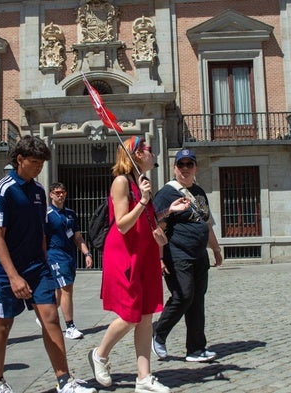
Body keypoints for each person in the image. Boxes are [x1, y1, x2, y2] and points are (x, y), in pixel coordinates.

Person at [0, 135, 96, 393]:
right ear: (19, 159)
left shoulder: (38, 191)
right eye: (34, 162)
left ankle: (64, 380)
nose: (38, 167)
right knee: (3, 324)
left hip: (37, 267)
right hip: (5, 271)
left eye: (41, 163)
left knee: (51, 318)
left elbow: (40, 232)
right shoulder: (3, 190)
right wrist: (13, 276)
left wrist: (45, 263)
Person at [88, 136, 189, 393]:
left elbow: (144, 219)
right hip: (125, 254)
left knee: (145, 316)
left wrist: (167, 212)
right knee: (131, 315)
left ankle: (143, 378)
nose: (153, 153)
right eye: (148, 150)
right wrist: (144, 200)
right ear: (134, 154)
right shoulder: (121, 182)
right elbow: (122, 224)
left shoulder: (139, 182)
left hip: (144, 253)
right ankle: (99, 354)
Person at [151, 149, 223, 363]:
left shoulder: (199, 192)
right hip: (177, 254)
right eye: (180, 165)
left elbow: (207, 224)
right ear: (174, 168)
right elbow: (157, 227)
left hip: (199, 256)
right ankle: (159, 332)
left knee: (197, 300)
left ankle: (196, 348)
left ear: (195, 168)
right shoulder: (166, 193)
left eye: (188, 164)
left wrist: (216, 250)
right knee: (183, 296)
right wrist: (159, 258)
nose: (184, 168)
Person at [44, 182, 93, 340]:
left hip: (69, 255)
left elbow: (77, 237)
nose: (60, 195)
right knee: (66, 288)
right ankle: (70, 326)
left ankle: (45, 314)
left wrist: (87, 253)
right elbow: (42, 238)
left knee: (61, 291)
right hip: (54, 255)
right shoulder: (46, 214)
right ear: (51, 194)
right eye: (57, 192)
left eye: (62, 192)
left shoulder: (71, 214)